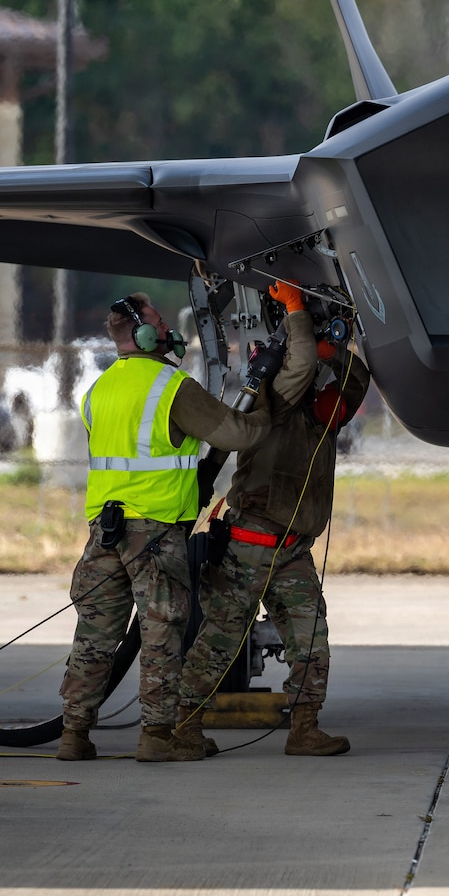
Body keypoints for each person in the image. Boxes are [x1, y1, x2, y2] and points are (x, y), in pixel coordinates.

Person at [57, 292, 278, 764]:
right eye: (159, 320)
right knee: (161, 630)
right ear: (142, 333)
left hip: (104, 529)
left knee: (95, 633)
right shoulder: (170, 387)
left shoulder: (98, 390)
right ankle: (157, 736)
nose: (167, 329)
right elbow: (238, 434)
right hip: (153, 532)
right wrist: (265, 404)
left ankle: (74, 734)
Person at [172, 280, 370, 761]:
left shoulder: (318, 412)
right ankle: (183, 728)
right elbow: (302, 363)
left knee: (310, 639)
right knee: (219, 639)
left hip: (292, 547)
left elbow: (352, 381)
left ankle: (304, 729)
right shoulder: (273, 399)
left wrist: (337, 345)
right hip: (250, 541)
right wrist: (298, 312)